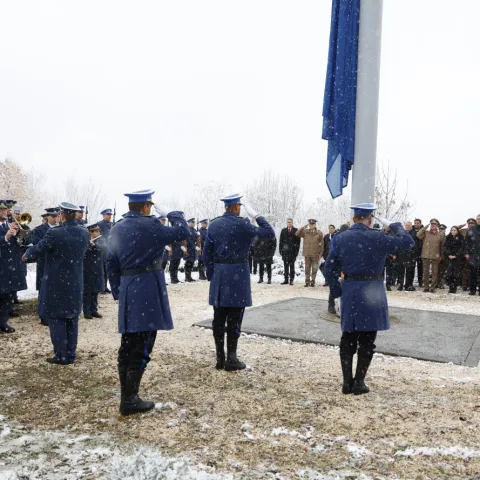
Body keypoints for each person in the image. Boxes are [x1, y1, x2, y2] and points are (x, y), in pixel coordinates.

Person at [106, 190, 189, 416]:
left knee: (128, 342)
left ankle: (127, 395)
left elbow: (110, 262)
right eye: (150, 206)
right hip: (148, 288)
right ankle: (130, 399)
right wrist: (173, 213)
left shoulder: (117, 227)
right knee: (143, 342)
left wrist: (118, 291)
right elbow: (183, 231)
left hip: (128, 287)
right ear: (145, 207)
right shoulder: (151, 226)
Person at [324, 203, 414, 395]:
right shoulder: (379, 237)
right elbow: (407, 242)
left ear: (354, 218)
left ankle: (347, 383)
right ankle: (359, 383)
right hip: (372, 290)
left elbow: (329, 267)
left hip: (349, 289)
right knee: (367, 339)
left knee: (348, 337)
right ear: (370, 219)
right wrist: (394, 226)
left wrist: (336, 290)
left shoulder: (340, 238)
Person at [203, 194, 275, 371]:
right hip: (238, 275)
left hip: (220, 274)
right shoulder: (243, 224)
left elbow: (206, 252)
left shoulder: (214, 224)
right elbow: (269, 232)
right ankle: (232, 358)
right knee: (235, 318)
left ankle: (220, 358)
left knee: (218, 317)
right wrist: (256, 216)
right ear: (236, 207)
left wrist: (213, 274)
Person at [23, 202, 90, 364]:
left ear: (62, 215)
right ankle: (71, 354)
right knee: (72, 318)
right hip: (76, 281)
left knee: (57, 318)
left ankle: (61, 355)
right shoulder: (84, 233)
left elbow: (39, 248)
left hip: (56, 283)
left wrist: (27, 254)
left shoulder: (55, 234)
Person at [0, 200, 27, 333]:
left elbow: (17, 245)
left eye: (5, 210)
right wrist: (5, 237)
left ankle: (3, 323)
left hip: (8, 267)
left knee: (7, 297)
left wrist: (18, 235)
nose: (3, 212)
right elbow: (4, 240)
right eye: (1, 210)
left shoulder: (7, 225)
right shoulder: (5, 228)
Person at [83, 223, 108, 319]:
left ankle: (94, 310)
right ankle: (86, 311)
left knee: (95, 290)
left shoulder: (100, 240)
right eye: (96, 231)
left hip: (97, 268)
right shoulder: (85, 240)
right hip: (87, 268)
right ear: (90, 232)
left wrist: (94, 245)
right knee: (87, 291)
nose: (98, 233)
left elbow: (104, 248)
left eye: (98, 231)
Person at [417, 219, 445, 293]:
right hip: (425, 255)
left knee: (434, 273)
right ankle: (426, 287)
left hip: (435, 256)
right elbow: (418, 235)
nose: (433, 225)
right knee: (425, 272)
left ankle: (433, 287)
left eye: (434, 224)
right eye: (432, 224)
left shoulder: (440, 234)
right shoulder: (426, 233)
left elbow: (442, 246)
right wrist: (425, 227)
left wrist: (441, 256)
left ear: (437, 226)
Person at [296, 219, 324, 287]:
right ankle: (307, 281)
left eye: (313, 224)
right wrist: (304, 226)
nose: (311, 225)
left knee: (314, 269)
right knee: (307, 269)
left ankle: (313, 281)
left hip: (315, 254)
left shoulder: (319, 233)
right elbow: (297, 233)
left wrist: (320, 254)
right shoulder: (306, 232)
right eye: (310, 224)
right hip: (307, 254)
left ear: (315, 225)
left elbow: (322, 245)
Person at [394, 221, 416, 291]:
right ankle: (400, 284)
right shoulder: (401, 233)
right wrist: (396, 253)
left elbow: (416, 245)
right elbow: (397, 244)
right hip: (401, 254)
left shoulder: (414, 234)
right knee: (400, 271)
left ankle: (408, 285)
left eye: (409, 225)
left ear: (411, 226)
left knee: (409, 272)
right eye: (406, 225)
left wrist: (414, 255)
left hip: (410, 255)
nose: (407, 226)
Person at [279, 218, 301, 285]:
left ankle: (291, 280)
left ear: (292, 223)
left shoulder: (296, 230)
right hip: (285, 252)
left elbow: (298, 243)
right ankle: (286, 280)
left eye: (290, 222)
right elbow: (281, 242)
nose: (289, 223)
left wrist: (296, 252)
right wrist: (281, 251)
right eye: (288, 222)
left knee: (292, 267)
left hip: (292, 252)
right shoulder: (283, 230)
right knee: (285, 267)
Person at [97, 208, 114, 293]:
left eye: (110, 215)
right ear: (104, 215)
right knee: (102, 268)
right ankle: (101, 286)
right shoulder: (100, 224)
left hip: (110, 249)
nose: (110, 216)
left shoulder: (112, 224)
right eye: (108, 215)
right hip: (103, 248)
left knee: (107, 268)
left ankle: (105, 286)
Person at [445, 226, 465, 294]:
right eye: (452, 230)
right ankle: (451, 286)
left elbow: (462, 248)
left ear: (457, 231)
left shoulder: (461, 238)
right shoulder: (448, 238)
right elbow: (445, 247)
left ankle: (454, 288)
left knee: (456, 274)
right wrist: (449, 254)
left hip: (457, 258)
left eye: (454, 230)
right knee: (448, 274)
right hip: (449, 258)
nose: (453, 231)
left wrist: (456, 255)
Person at [465, 214, 480, 295]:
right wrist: (467, 252)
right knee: (473, 273)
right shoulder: (471, 229)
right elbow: (467, 242)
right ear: (476, 220)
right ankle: (472, 290)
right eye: (478, 219)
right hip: (473, 254)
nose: (479, 220)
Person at [461, 218, 476, 291]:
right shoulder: (463, 231)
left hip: (474, 254)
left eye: (472, 223)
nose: (470, 224)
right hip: (465, 254)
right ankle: (464, 285)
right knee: (465, 270)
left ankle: (471, 285)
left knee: (473, 270)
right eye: (469, 223)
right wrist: (462, 225)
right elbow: (454, 230)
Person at [184, 218, 198, 282]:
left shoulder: (194, 230)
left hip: (193, 250)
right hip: (189, 249)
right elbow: (188, 240)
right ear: (189, 223)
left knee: (191, 263)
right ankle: (187, 277)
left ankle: (189, 276)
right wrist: (194, 246)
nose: (193, 223)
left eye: (194, 222)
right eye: (192, 222)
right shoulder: (188, 230)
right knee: (188, 263)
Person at [412, 219, 424, 287]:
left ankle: (420, 282)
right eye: (415, 223)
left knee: (420, 269)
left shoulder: (423, 231)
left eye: (418, 223)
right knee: (412, 268)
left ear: (420, 223)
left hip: (421, 252)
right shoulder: (412, 230)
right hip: (413, 252)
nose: (416, 224)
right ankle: (411, 281)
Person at [437, 224, 448, 288]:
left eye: (442, 229)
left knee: (442, 271)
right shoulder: (436, 236)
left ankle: (441, 284)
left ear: (445, 230)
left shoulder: (446, 237)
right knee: (436, 271)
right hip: (436, 256)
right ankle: (436, 283)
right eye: (440, 229)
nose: (441, 230)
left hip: (444, 257)